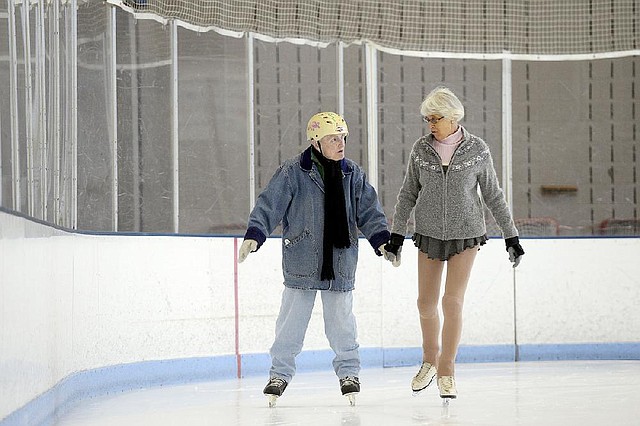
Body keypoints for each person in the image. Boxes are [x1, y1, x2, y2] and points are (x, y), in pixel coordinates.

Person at [238, 112, 392, 406]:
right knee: (291, 324)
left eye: (343, 137)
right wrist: (254, 234)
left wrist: (382, 241)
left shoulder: (352, 174)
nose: (341, 143)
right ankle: (279, 373)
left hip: (340, 260)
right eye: (333, 138)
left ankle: (349, 373)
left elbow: (369, 212)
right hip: (302, 259)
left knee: (342, 324)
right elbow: (269, 204)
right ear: (316, 142)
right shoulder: (293, 172)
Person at [383, 86, 525, 401]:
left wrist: (510, 236)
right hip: (429, 233)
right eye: (427, 118)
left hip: (465, 233)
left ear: (454, 117)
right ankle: (429, 360)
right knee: (425, 303)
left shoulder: (477, 150)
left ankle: (446, 370)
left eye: (436, 118)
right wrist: (396, 236)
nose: (431, 124)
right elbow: (408, 193)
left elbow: (493, 195)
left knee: (452, 302)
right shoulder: (421, 149)